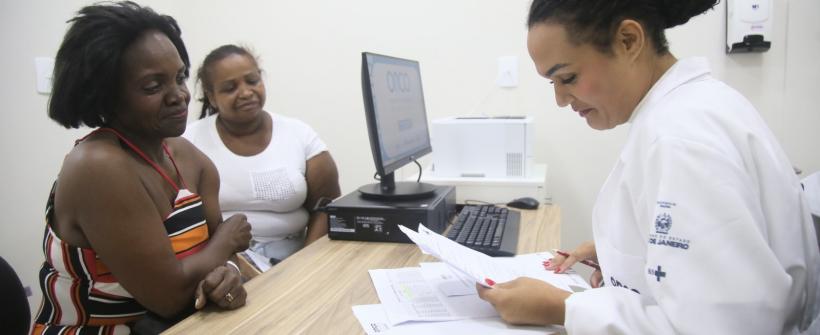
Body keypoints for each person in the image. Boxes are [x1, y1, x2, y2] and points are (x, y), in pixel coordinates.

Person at [477, 0, 820, 333]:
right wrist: (629, 255)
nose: (561, 99)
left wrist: (563, 307)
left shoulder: (682, 141)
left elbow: (723, 327)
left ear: (629, 41)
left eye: (567, 77)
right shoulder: (697, 107)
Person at [32, 2, 252, 333]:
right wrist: (228, 240)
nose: (178, 95)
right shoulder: (97, 167)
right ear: (105, 96)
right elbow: (169, 296)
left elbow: (215, 262)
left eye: (179, 77)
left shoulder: (186, 155)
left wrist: (228, 273)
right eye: (153, 86)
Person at [183, 45, 341, 264]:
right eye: (230, 88)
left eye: (252, 80)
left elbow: (327, 207)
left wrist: (306, 264)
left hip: (294, 257)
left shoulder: (299, 134)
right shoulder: (188, 141)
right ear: (211, 96)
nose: (246, 92)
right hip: (220, 262)